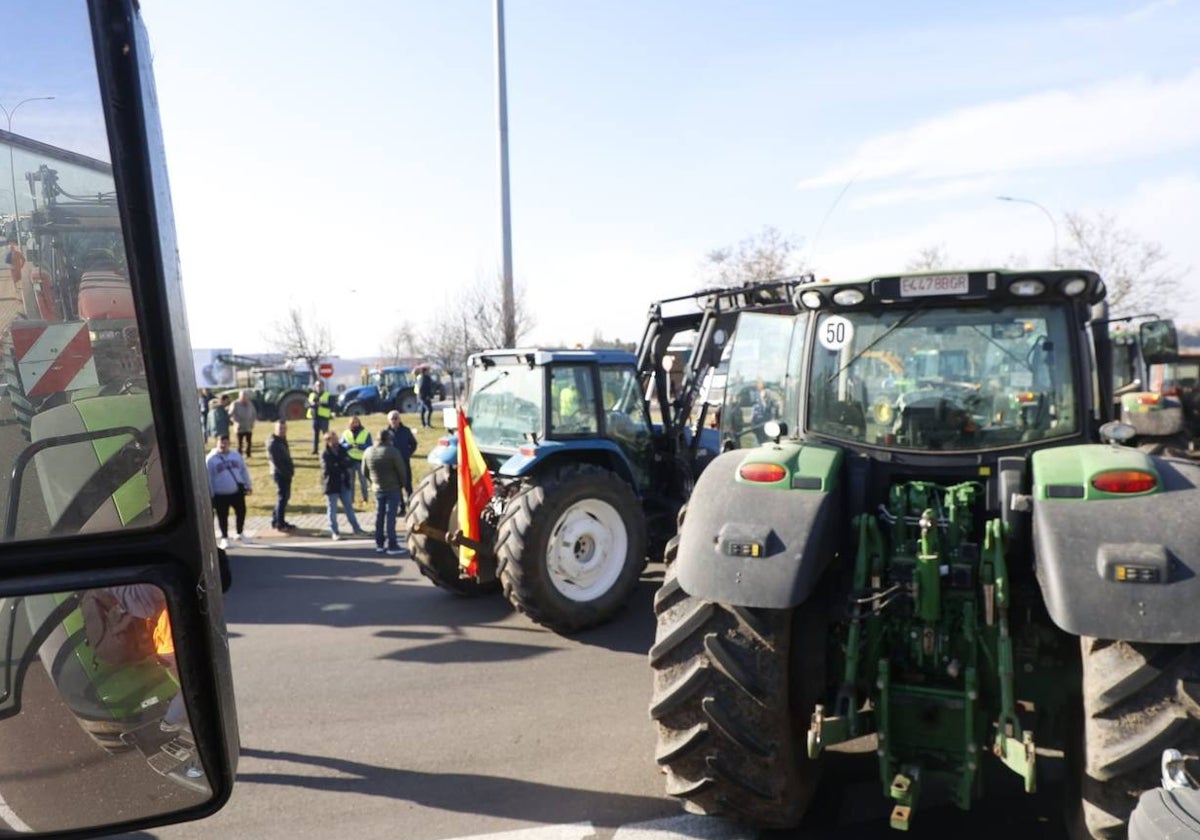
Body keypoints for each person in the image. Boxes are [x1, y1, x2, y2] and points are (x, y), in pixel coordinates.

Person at [362, 428, 408, 555]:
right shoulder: (393, 452)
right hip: (392, 488)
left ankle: (379, 544)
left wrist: (373, 482)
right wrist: (402, 485)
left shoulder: (368, 451)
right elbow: (401, 471)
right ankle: (392, 545)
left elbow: (364, 471)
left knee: (379, 516)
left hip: (377, 488)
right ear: (389, 439)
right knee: (391, 517)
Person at [206, 434, 252, 550]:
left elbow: (243, 471)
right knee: (223, 516)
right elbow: (209, 478)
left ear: (229, 444)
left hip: (236, 491)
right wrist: (211, 494)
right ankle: (225, 537)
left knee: (241, 512)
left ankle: (240, 532)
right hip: (220, 494)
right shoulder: (211, 459)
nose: (223, 445)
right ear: (216, 443)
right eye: (221, 442)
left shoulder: (235, 455)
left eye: (225, 443)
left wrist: (248, 484)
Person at [320, 430, 364, 540]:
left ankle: (356, 528)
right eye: (333, 440)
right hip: (332, 485)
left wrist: (340, 464)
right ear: (327, 441)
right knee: (332, 509)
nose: (336, 442)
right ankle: (335, 531)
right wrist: (341, 465)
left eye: (336, 439)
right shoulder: (325, 453)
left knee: (349, 508)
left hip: (344, 484)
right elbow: (328, 468)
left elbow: (349, 462)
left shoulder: (342, 449)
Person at [266, 419, 296, 532]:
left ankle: (277, 520)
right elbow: (277, 462)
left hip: (285, 472)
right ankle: (279, 523)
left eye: (284, 428)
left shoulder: (281, 440)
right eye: (280, 428)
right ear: (275, 429)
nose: (282, 431)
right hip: (280, 473)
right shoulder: (273, 443)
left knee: (284, 497)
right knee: (282, 498)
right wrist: (288, 473)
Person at [385, 410, 418, 510]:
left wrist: (408, 453)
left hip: (404, 461)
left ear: (399, 419)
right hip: (392, 464)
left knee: (408, 484)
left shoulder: (406, 431)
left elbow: (413, 444)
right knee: (396, 486)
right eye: (392, 419)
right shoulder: (386, 433)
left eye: (396, 418)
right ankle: (401, 506)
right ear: (389, 421)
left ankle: (411, 505)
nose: (394, 421)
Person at [340, 416, 372, 503]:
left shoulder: (365, 433)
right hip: (349, 460)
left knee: (363, 480)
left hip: (361, 460)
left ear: (359, 423)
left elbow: (370, 446)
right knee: (351, 481)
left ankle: (365, 498)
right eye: (352, 423)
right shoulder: (346, 433)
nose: (354, 424)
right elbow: (341, 445)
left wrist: (360, 446)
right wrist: (349, 446)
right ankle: (351, 499)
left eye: (356, 422)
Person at [307, 379, 333, 454]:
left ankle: (328, 449)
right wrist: (312, 404)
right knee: (315, 435)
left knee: (326, 435)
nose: (319, 387)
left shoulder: (327, 395)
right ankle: (315, 450)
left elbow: (331, 405)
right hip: (315, 417)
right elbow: (306, 404)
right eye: (317, 386)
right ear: (315, 386)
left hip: (324, 418)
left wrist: (321, 404)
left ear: (323, 386)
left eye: (320, 385)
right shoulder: (312, 395)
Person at [231, 389, 258, 457]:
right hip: (239, 427)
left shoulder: (250, 404)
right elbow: (231, 414)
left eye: (246, 396)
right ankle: (239, 455)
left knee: (248, 442)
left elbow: (254, 413)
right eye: (243, 396)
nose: (244, 398)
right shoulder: (235, 404)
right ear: (239, 396)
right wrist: (235, 422)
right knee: (239, 443)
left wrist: (252, 422)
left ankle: (248, 454)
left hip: (248, 426)